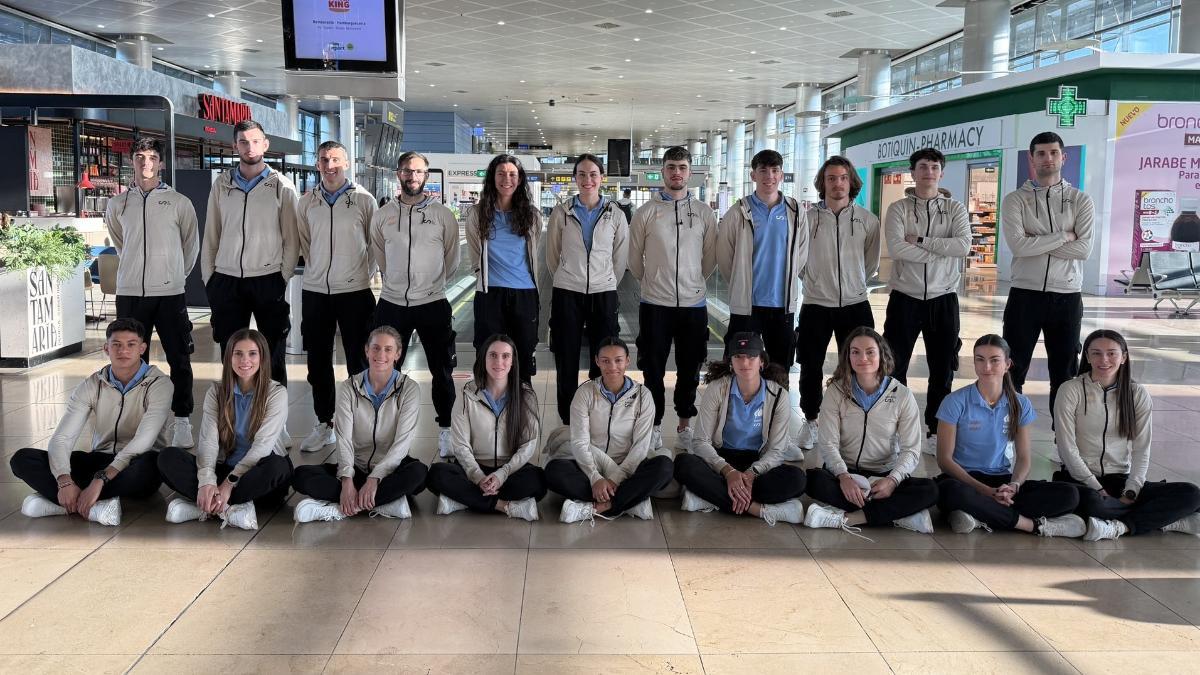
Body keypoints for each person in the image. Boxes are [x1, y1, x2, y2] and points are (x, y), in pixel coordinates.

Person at [10, 319, 172, 527]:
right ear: (106, 348)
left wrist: (100, 479)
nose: (123, 350)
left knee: (153, 465)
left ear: (142, 348)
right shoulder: (93, 384)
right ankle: (93, 506)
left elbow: (144, 440)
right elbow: (62, 438)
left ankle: (69, 503)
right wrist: (64, 480)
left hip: (135, 463)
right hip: (99, 459)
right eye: (116, 344)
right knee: (22, 459)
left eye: (131, 344)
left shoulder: (159, 384)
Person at [1054, 329, 1200, 540]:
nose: (1104, 360)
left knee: (1192, 493)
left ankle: (1119, 526)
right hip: (1081, 480)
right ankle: (1162, 520)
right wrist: (1097, 488)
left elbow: (1142, 449)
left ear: (1123, 357)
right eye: (1096, 353)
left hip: (1120, 480)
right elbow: (1067, 449)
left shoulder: (1136, 393)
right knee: (1092, 503)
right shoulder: (1070, 390)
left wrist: (1131, 491)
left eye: (1111, 353)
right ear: (1087, 357)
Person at [935, 335, 1084, 537]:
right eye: (980, 359)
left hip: (1001, 481)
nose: (986, 366)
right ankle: (1031, 525)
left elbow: (1023, 458)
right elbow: (944, 460)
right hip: (964, 480)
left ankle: (980, 515)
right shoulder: (954, 401)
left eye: (994, 360)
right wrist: (984, 490)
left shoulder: (1020, 404)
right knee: (949, 491)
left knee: (1069, 494)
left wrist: (1014, 486)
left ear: (1007, 364)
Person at [106, 137, 200, 448]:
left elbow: (190, 246)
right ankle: (138, 421)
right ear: (131, 161)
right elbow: (121, 243)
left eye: (151, 157)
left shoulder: (179, 202)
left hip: (170, 293)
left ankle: (182, 420)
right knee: (130, 360)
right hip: (130, 293)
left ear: (161, 163)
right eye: (139, 157)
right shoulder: (118, 204)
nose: (145, 163)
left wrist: (174, 276)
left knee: (179, 357)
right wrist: (135, 271)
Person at [370, 150, 461, 457]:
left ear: (426, 176)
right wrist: (395, 282)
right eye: (408, 171)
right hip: (392, 303)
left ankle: (446, 429)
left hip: (432, 302)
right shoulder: (383, 215)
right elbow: (380, 255)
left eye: (419, 171)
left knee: (442, 369)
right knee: (384, 369)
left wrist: (431, 284)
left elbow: (451, 257)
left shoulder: (442, 215)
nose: (413, 176)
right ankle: (385, 430)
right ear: (399, 174)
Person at [804, 327, 938, 536]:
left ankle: (849, 518)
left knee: (930, 490)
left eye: (870, 352)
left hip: (884, 475)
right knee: (814, 481)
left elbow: (911, 449)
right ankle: (898, 514)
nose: (863, 358)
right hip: (845, 472)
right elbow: (828, 443)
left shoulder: (902, 395)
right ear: (848, 357)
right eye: (855, 352)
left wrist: (892, 481)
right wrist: (844, 477)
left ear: (882, 355)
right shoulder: (835, 391)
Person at [628, 145, 718, 451]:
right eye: (671, 167)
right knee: (652, 369)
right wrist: (652, 281)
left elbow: (710, 258)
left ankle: (684, 424)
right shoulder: (646, 213)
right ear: (662, 172)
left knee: (690, 368)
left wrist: (693, 282)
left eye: (682, 167)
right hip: (655, 304)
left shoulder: (704, 213)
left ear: (690, 173)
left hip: (693, 305)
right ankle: (654, 426)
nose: (676, 173)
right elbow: (634, 259)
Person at [157, 329, 292, 530]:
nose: (245, 360)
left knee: (278, 467)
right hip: (224, 468)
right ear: (229, 357)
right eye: (238, 353)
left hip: (254, 471)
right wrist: (207, 481)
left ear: (263, 358)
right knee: (167, 457)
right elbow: (208, 441)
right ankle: (226, 508)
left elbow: (263, 447)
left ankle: (206, 507)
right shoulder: (217, 391)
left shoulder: (276, 393)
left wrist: (229, 483)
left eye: (252, 354)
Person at [882, 148, 971, 455]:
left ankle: (935, 429)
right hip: (904, 298)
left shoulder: (955, 208)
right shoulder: (898, 209)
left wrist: (921, 241)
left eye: (934, 167)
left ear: (941, 173)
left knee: (942, 369)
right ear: (913, 172)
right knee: (895, 367)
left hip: (943, 298)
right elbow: (896, 248)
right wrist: (941, 251)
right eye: (922, 167)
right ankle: (897, 429)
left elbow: (963, 246)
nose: (928, 172)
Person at [291, 326, 428, 522]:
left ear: (398, 354)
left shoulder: (409, 389)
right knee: (300, 475)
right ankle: (385, 502)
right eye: (375, 348)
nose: (381, 354)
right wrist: (346, 480)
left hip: (390, 470)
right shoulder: (349, 387)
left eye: (388, 349)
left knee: (419, 474)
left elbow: (402, 443)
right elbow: (344, 439)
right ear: (366, 350)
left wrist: (375, 477)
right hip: (356, 467)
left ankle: (342, 507)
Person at [201, 119, 299, 388]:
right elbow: (211, 234)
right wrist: (210, 279)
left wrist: (282, 277)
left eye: (255, 141)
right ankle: (233, 409)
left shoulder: (282, 186)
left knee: (273, 351)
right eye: (243, 142)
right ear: (235, 146)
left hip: (268, 278)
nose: (249, 147)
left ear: (265, 145)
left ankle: (274, 411)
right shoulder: (222, 185)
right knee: (231, 352)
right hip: (226, 279)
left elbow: (292, 239)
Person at [1001, 131, 1094, 416]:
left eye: (1053, 152)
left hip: (1066, 296)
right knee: (1012, 368)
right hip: (1025, 294)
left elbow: (1084, 249)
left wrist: (1036, 242)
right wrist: (1064, 236)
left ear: (1063, 157)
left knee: (1064, 371)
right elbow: (1018, 245)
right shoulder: (1015, 200)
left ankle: (1061, 434)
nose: (1047, 158)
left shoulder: (1080, 200)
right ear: (1032, 159)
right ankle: (1009, 429)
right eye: (1040, 153)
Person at [295, 140, 378, 454]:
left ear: (347, 163)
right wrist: (318, 271)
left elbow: (374, 246)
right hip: (316, 292)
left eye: (335, 160)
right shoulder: (307, 203)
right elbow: (306, 243)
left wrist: (361, 275)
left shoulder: (363, 200)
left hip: (354, 292)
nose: (329, 166)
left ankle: (359, 423)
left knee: (359, 360)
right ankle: (324, 423)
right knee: (317, 362)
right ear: (317, 164)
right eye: (324, 160)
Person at [673, 332, 806, 526]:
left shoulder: (778, 395)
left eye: (751, 357)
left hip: (757, 463)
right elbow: (700, 441)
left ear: (761, 361)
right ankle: (758, 509)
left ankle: (711, 498)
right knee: (683, 464)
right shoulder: (717, 388)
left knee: (797, 479)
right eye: (738, 357)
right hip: (722, 459)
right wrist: (729, 473)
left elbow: (777, 450)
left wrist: (751, 475)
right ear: (731, 363)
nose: (745, 363)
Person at [796, 156, 880, 451]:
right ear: (823, 183)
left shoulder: (867, 220)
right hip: (816, 304)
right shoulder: (806, 220)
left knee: (860, 366)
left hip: (855, 304)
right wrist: (815, 280)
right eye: (831, 178)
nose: (837, 183)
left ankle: (854, 421)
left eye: (843, 177)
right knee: (810, 365)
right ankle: (811, 420)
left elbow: (870, 263)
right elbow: (799, 261)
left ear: (851, 181)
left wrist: (854, 282)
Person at [545, 337, 673, 523]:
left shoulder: (643, 396)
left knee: (664, 467)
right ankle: (630, 500)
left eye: (618, 360)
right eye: (605, 361)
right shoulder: (585, 393)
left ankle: (601, 506)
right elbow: (579, 442)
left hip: (629, 466)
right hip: (591, 464)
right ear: (597, 361)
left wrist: (614, 480)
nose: (612, 366)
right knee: (553, 471)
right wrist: (595, 477)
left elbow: (640, 447)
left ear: (627, 360)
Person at [545, 153, 629, 425]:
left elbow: (620, 257)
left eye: (593, 174)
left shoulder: (615, 214)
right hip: (567, 291)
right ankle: (568, 421)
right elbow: (552, 255)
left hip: (604, 293)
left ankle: (598, 416)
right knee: (566, 357)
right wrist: (568, 276)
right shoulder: (562, 212)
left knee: (603, 357)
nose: (587, 179)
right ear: (575, 178)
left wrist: (606, 280)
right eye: (581, 174)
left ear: (601, 177)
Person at [426, 334, 545, 521]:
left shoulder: (526, 395)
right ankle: (503, 505)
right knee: (436, 474)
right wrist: (478, 477)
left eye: (505, 356)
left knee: (538, 481)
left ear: (513, 361)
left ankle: (466, 501)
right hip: (473, 467)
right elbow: (461, 445)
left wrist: (501, 475)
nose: (499, 362)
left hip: (509, 470)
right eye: (493, 355)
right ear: (484, 359)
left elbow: (528, 445)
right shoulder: (467, 394)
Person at [716, 149, 808, 371]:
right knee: (740, 366)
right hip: (747, 305)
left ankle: (776, 396)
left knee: (780, 367)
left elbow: (802, 252)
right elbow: (724, 255)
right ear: (753, 175)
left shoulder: (795, 211)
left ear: (781, 175)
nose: (769, 176)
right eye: (763, 170)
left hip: (782, 304)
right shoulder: (739, 211)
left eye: (775, 170)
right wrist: (740, 281)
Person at [465, 155, 542, 381]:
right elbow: (474, 252)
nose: (506, 179)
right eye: (501, 173)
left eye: (512, 174)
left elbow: (533, 251)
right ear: (492, 178)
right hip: (490, 293)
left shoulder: (532, 215)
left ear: (520, 180)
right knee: (488, 355)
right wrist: (481, 275)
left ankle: (522, 400)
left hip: (524, 293)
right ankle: (487, 400)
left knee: (523, 355)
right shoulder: (477, 214)